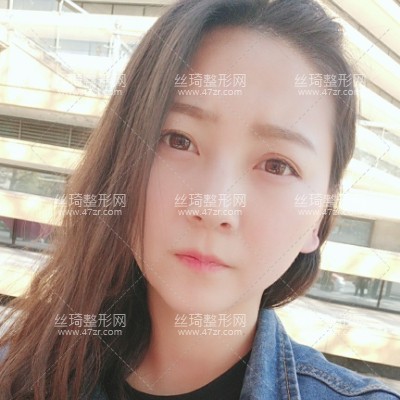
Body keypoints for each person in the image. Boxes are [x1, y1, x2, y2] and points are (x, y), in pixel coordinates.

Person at [0, 0, 399, 399]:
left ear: (320, 216)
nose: (213, 207)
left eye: (277, 165)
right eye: (179, 140)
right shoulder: (17, 373)